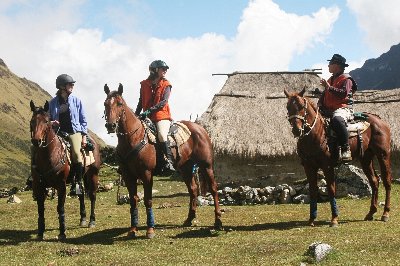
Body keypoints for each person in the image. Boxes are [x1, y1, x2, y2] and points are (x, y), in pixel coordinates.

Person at [49, 74, 88, 195]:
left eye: (72, 84)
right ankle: (38, 179)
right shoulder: (52, 102)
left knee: (76, 153)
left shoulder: (77, 101)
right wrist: (51, 122)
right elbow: (47, 118)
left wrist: (84, 136)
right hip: (58, 133)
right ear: (61, 87)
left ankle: (78, 183)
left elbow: (83, 120)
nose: (72, 86)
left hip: (73, 132)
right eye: (69, 84)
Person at [135, 60, 175, 173]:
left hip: (161, 116)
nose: (165, 71)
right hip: (146, 116)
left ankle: (169, 162)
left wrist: (148, 111)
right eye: (163, 68)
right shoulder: (144, 84)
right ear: (155, 70)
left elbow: (164, 102)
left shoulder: (167, 84)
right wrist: (136, 115)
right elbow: (140, 101)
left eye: (165, 69)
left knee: (162, 135)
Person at [318, 54, 358, 162]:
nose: (328, 65)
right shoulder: (330, 79)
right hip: (328, 110)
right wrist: (320, 105)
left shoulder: (347, 79)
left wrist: (328, 87)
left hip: (343, 109)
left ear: (337, 65)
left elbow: (343, 94)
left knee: (337, 119)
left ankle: (346, 149)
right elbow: (324, 95)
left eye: (330, 63)